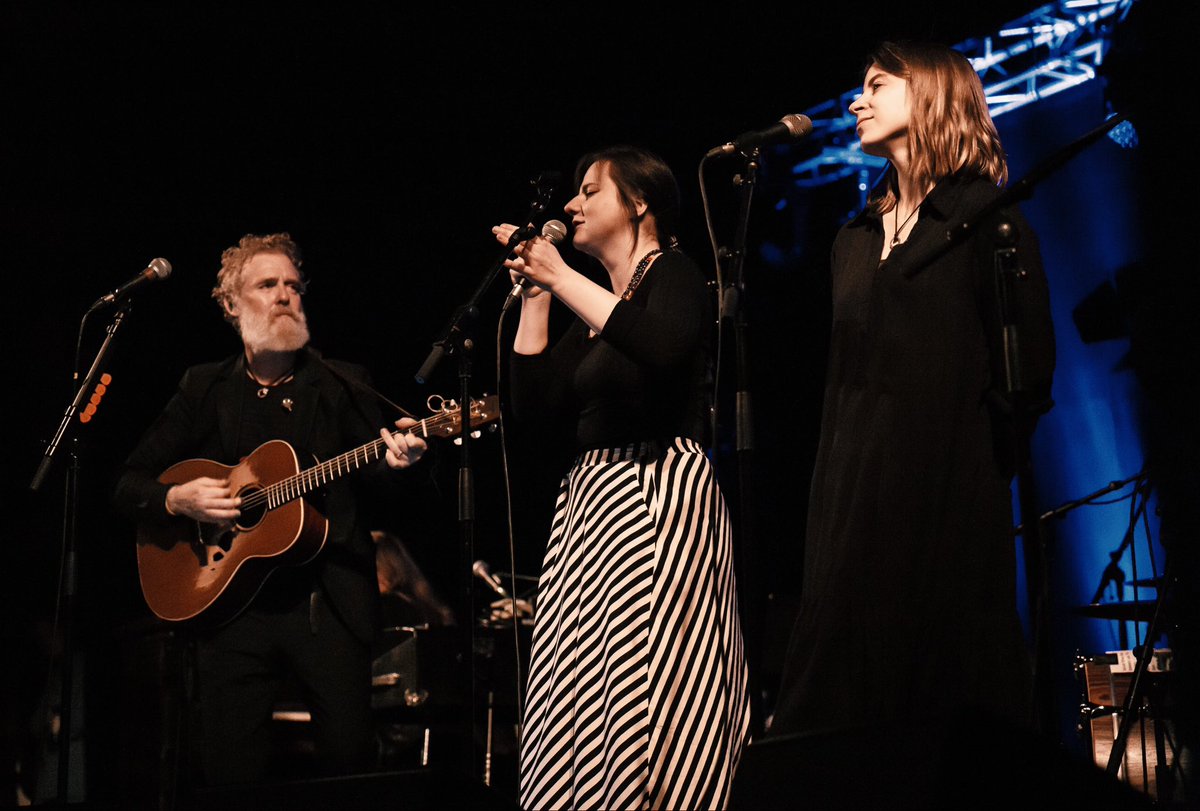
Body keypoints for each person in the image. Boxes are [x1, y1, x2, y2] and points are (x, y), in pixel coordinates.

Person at [768, 42, 1055, 740]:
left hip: (942, 499)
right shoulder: (854, 239)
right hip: (848, 501)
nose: (857, 100)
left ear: (929, 93)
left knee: (941, 707)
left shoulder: (986, 216)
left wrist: (972, 461)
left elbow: (1029, 366)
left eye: (875, 84)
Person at [113, 233, 428, 787]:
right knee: (231, 775)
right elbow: (127, 482)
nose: (285, 295)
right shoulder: (204, 387)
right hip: (229, 609)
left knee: (348, 770)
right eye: (267, 285)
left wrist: (398, 462)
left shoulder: (342, 382)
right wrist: (175, 497)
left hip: (326, 604)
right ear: (231, 305)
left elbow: (386, 487)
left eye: (293, 285)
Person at [495, 145, 751, 810]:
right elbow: (535, 409)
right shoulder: (601, 311)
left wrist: (561, 278)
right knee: (586, 684)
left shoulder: (675, 272)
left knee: (654, 678)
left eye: (588, 191)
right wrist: (535, 297)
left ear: (639, 202)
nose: (571, 206)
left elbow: (661, 345)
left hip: (657, 491)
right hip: (592, 510)